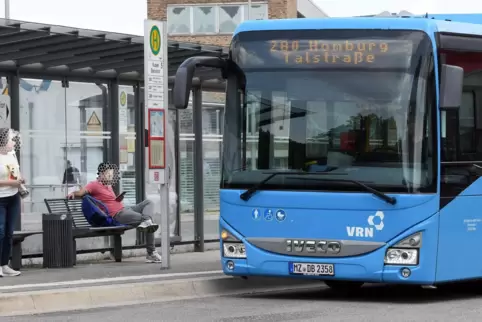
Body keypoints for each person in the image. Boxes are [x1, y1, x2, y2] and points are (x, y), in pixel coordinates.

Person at [67, 162, 162, 263]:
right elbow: (82, 192)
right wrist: (73, 193)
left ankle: (146, 221)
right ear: (102, 174)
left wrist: (118, 199)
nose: (111, 177)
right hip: (117, 215)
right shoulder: (93, 185)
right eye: (109, 174)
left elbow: (110, 201)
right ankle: (151, 253)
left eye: (111, 175)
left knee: (149, 202)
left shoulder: (108, 186)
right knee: (148, 220)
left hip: (125, 210)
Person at [0, 128, 23, 277]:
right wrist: (11, 183)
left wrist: (20, 181)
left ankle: (4, 264)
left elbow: (15, 173)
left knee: (9, 233)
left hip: (13, 197)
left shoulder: (12, 155)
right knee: (0, 232)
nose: (13, 142)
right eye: (10, 139)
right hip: (0, 198)